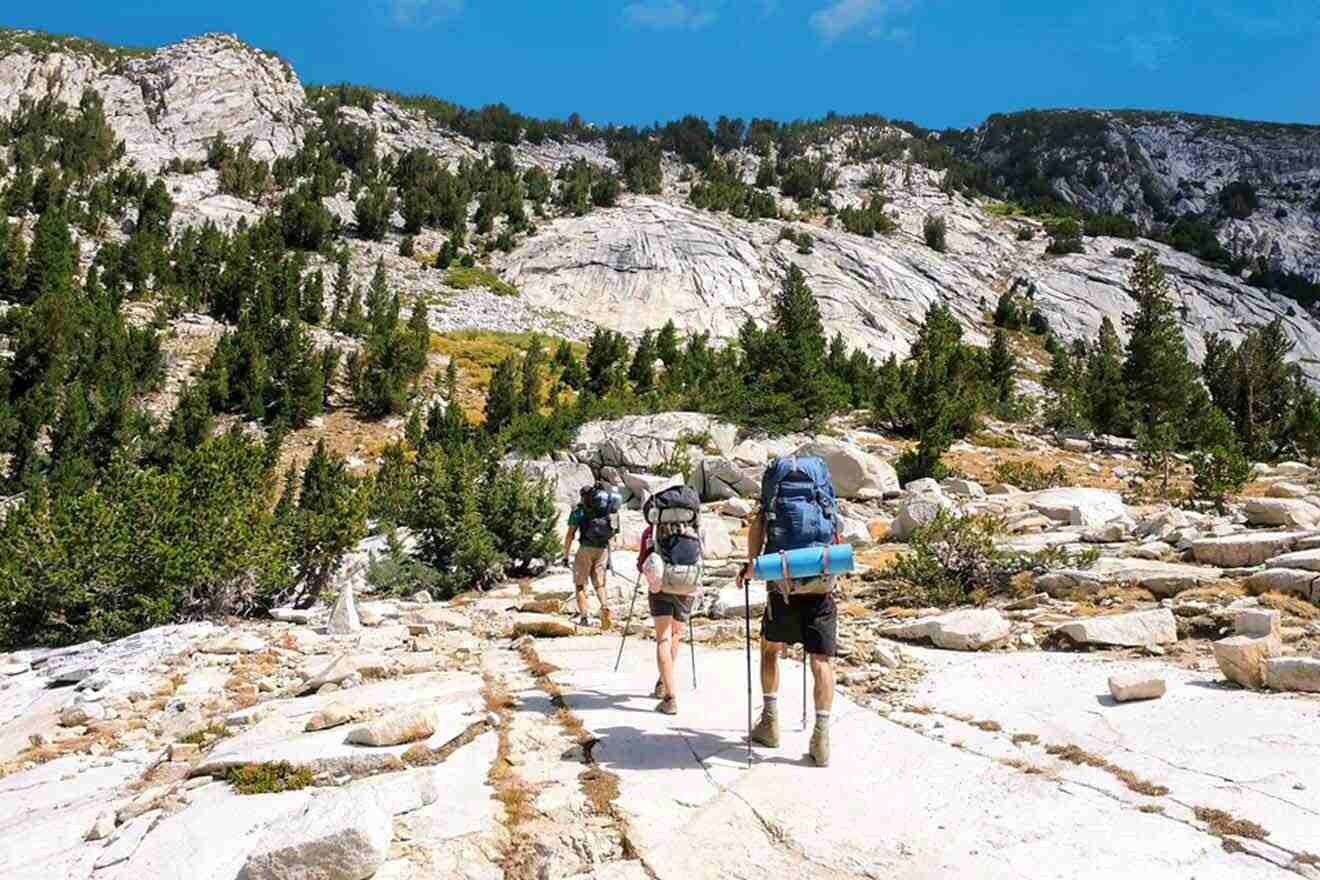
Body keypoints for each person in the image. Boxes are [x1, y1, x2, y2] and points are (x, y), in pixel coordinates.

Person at [735, 457, 839, 767]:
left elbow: (758, 527)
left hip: (781, 584)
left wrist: (752, 564)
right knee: (822, 660)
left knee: (770, 650)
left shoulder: (773, 491)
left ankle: (770, 722)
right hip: (821, 584)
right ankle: (821, 737)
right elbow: (835, 530)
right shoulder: (821, 490)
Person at [637, 522, 694, 715]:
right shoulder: (691, 527)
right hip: (687, 586)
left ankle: (670, 697)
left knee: (663, 638)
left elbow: (641, 564)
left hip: (660, 587)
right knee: (675, 633)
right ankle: (662, 682)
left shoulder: (650, 531)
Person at [563, 485, 614, 630]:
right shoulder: (604, 511)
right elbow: (611, 535)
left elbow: (570, 535)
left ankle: (584, 617)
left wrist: (566, 556)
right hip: (602, 549)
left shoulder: (579, 511)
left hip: (585, 549)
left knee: (580, 584)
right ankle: (604, 607)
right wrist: (609, 559)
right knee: (599, 583)